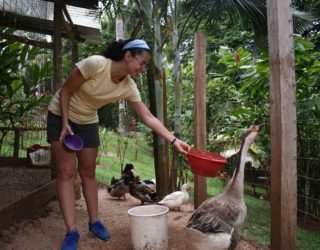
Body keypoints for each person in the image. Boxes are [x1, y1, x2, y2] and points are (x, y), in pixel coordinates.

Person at [46, 38, 190, 250]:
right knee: (67, 172)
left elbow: (148, 117)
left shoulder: (128, 86)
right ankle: (71, 232)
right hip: (61, 114)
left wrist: (174, 140)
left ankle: (94, 222)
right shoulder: (95, 64)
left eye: (145, 66)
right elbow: (66, 90)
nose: (143, 69)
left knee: (88, 172)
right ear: (128, 55)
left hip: (87, 120)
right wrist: (66, 122)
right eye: (142, 63)